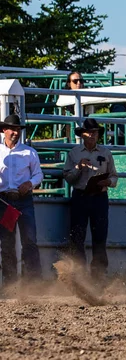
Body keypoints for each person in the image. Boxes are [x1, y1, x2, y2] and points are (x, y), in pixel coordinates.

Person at [63, 118, 118, 280]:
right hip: (81, 196)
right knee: (77, 235)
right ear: (83, 134)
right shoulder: (74, 154)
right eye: (89, 132)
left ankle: (98, 275)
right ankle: (80, 273)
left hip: (99, 196)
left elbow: (114, 176)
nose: (92, 135)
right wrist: (78, 167)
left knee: (100, 236)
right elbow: (68, 177)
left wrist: (108, 182)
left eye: (95, 132)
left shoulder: (106, 153)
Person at [0, 115, 43, 285]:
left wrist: (30, 183)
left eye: (17, 129)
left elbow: (39, 174)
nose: (15, 132)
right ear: (4, 130)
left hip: (23, 200)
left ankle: (33, 282)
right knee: (7, 242)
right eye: (12, 129)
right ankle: (11, 283)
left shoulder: (29, 152)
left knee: (29, 240)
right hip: (4, 202)